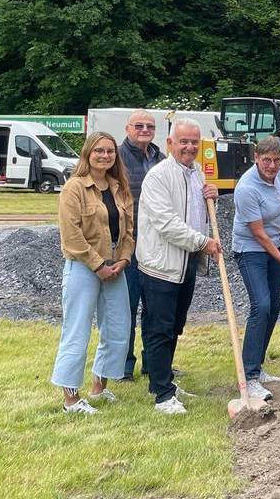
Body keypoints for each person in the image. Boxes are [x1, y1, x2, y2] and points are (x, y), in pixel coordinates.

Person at [136, 118, 221, 415]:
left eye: (194, 142)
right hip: (161, 265)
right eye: (183, 142)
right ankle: (162, 394)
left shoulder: (196, 173)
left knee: (175, 325)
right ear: (171, 143)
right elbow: (167, 225)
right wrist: (204, 243)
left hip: (186, 263)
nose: (189, 147)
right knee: (159, 327)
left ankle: (164, 378)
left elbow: (199, 215)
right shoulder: (158, 176)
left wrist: (213, 199)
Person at [51, 131, 135, 414]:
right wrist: (98, 265)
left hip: (116, 266)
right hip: (84, 267)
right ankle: (71, 399)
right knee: (77, 330)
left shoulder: (119, 188)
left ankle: (100, 388)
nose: (105, 156)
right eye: (99, 150)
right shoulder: (74, 188)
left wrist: (123, 260)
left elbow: (129, 231)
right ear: (88, 153)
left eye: (110, 151)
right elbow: (71, 235)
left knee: (118, 329)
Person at [233, 137, 280, 401]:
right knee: (260, 305)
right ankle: (249, 377)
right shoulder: (246, 188)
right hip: (251, 249)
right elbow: (258, 234)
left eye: (276, 160)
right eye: (266, 160)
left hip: (274, 245)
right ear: (256, 158)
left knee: (273, 307)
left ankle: (257, 367)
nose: (271, 166)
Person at [118, 109, 165, 380]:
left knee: (154, 307)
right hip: (128, 244)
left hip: (155, 243)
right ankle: (124, 366)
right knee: (126, 306)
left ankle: (153, 363)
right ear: (128, 128)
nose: (144, 130)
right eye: (139, 125)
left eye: (149, 126)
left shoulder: (159, 158)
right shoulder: (118, 158)